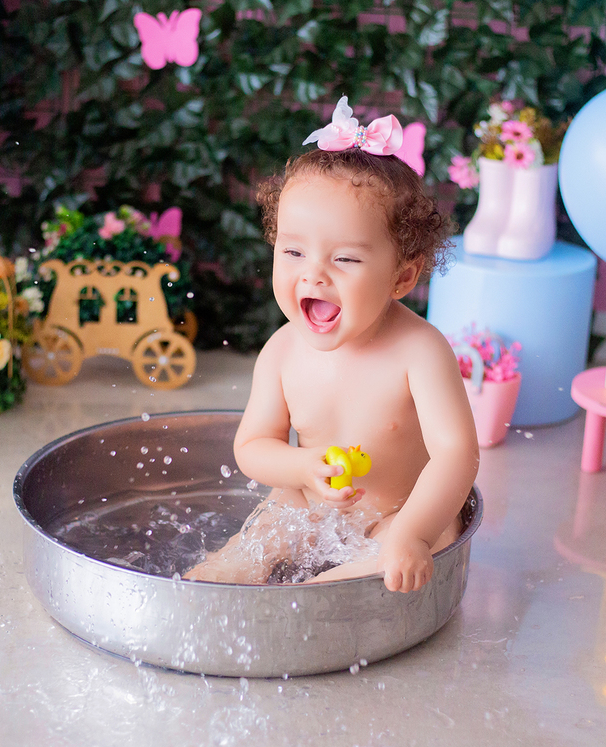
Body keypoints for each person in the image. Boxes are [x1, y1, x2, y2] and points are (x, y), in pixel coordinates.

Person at [185, 97, 479, 592]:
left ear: (401, 277)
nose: (313, 274)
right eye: (293, 251)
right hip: (311, 508)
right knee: (271, 521)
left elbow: (457, 455)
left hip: (399, 513)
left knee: (410, 551)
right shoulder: (283, 351)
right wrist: (302, 466)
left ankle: (314, 595)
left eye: (344, 259)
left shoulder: (420, 352)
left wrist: (412, 532)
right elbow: (253, 447)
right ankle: (214, 584)